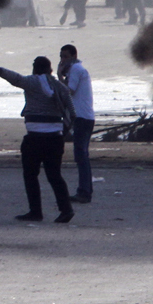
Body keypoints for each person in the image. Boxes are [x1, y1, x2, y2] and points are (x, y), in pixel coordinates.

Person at [0, 56, 76, 223]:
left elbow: (16, 79)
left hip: (34, 138)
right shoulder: (60, 87)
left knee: (30, 175)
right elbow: (72, 111)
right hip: (54, 138)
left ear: (34, 68)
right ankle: (66, 209)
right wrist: (64, 132)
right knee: (54, 175)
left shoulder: (32, 82)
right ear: (50, 70)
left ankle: (36, 211)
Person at [57, 43, 96, 205]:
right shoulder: (77, 70)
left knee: (81, 155)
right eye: (61, 56)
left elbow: (69, 91)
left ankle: (84, 192)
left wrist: (59, 76)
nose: (62, 60)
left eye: (65, 56)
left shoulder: (76, 70)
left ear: (73, 56)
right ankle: (85, 190)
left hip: (82, 117)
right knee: (81, 155)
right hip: (83, 116)